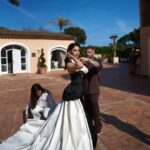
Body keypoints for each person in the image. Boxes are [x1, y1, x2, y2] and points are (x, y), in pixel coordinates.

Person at [0, 43, 93, 150]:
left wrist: (81, 58)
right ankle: (67, 137)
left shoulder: (77, 60)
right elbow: (81, 66)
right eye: (75, 50)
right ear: (70, 51)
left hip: (77, 93)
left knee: (76, 117)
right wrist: (70, 56)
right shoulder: (68, 63)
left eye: (78, 51)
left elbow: (85, 68)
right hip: (71, 93)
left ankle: (75, 135)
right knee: (69, 117)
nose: (77, 52)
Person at [0, 83, 57, 149]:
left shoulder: (46, 94)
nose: (38, 93)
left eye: (39, 91)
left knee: (45, 114)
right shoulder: (34, 97)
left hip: (48, 110)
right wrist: (26, 115)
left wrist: (49, 113)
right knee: (33, 112)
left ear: (41, 89)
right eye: (36, 92)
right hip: (39, 113)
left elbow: (53, 105)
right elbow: (28, 106)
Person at [80, 45, 103, 148]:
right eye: (86, 52)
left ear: (93, 52)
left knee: (94, 107)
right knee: (87, 109)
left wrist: (88, 59)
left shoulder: (96, 60)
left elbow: (98, 65)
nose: (87, 53)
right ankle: (89, 126)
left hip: (94, 89)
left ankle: (98, 127)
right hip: (85, 89)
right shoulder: (84, 61)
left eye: (89, 52)